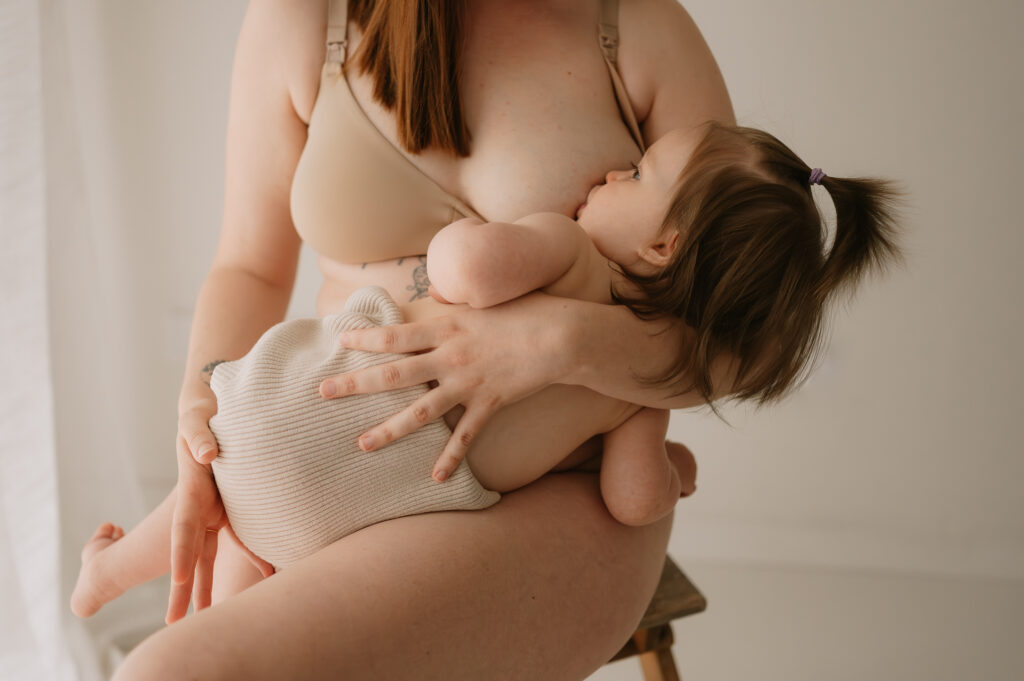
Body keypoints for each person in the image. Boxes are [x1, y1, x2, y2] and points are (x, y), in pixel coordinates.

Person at [112, 0, 741, 679]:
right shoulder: (299, 18)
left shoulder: (636, 27)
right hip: (333, 444)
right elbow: (250, 267)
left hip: (558, 488)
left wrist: (559, 342)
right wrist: (197, 409)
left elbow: (740, 338)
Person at [71, 122, 899, 619]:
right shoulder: (640, 394)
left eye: (638, 174)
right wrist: (673, 467)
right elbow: (633, 497)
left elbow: (461, 269)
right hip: (355, 522)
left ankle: (108, 572)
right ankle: (149, 599)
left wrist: (509, 236)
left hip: (294, 406)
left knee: (212, 511)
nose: (612, 172)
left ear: (664, 245)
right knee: (238, 603)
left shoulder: (570, 251)